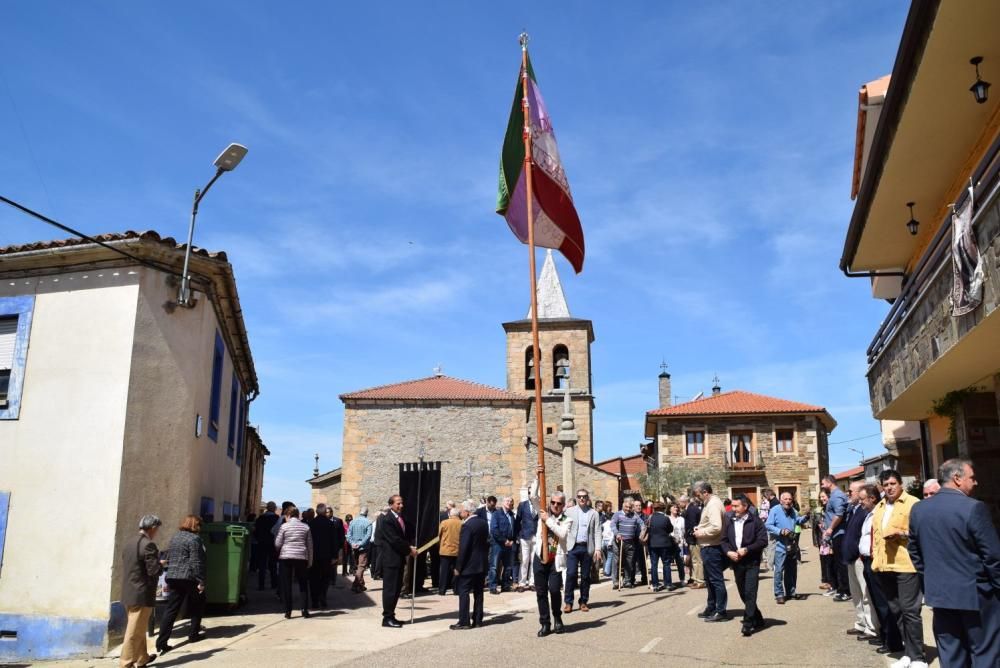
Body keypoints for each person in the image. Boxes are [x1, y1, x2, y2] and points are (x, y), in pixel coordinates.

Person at [909, 459, 1000, 668]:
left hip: (940, 596)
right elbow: (993, 557)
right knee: (985, 655)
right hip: (977, 596)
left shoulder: (919, 509)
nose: (975, 482)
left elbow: (915, 553)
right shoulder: (974, 508)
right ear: (957, 479)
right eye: (972, 478)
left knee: (951, 657)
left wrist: (932, 579)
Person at [871, 469, 925, 668]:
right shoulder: (880, 506)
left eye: (893, 484)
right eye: (886, 485)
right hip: (884, 565)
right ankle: (908, 653)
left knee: (910, 610)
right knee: (896, 610)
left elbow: (921, 532)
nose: (889, 488)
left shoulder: (913, 503)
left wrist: (901, 534)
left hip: (906, 564)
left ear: (900, 484)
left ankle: (919, 657)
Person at [858, 484, 902, 657]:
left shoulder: (879, 513)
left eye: (863, 499)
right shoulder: (870, 513)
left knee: (884, 603)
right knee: (877, 602)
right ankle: (884, 636)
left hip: (876, 562)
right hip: (868, 561)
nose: (860, 502)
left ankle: (893, 641)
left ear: (872, 498)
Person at [156, 515, 206, 654]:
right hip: (188, 577)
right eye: (199, 525)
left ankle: (161, 642)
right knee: (198, 603)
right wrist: (201, 580)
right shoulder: (194, 539)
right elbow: (196, 562)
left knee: (172, 608)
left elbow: (170, 555)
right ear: (195, 525)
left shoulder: (175, 537)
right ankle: (193, 634)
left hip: (173, 576)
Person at [120, 514, 163, 668]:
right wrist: (160, 564)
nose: (157, 532)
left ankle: (142, 658)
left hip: (129, 592)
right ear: (152, 528)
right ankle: (126, 663)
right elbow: (153, 571)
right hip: (142, 594)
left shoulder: (129, 543)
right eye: (157, 529)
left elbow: (135, 566)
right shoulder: (148, 545)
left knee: (138, 628)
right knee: (134, 632)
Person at [721, 494, 768, 636]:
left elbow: (763, 541)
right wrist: (728, 552)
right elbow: (723, 540)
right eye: (732, 506)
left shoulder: (755, 522)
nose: (732, 508)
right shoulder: (729, 520)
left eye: (736, 506)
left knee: (750, 592)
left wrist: (747, 549)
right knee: (743, 593)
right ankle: (757, 617)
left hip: (752, 562)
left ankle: (748, 623)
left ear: (745, 506)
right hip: (737, 562)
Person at [534, 491, 575, 637]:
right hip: (540, 557)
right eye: (553, 502)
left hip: (555, 560)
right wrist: (537, 478)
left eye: (559, 503)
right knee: (541, 592)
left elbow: (562, 534)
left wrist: (548, 520)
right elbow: (533, 496)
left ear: (563, 505)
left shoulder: (566, 519)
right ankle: (545, 623)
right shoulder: (543, 512)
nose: (555, 505)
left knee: (554, 590)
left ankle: (557, 617)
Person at [842, 481, 878, 641]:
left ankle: (871, 627)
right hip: (851, 559)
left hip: (860, 559)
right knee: (856, 594)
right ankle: (861, 623)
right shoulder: (855, 510)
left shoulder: (866, 511)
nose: (848, 494)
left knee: (865, 594)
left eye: (851, 491)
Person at [374, 494, 416, 628]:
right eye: (398, 503)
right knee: (390, 589)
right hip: (390, 560)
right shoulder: (387, 520)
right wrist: (409, 550)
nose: (401, 505)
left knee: (397, 589)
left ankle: (391, 615)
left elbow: (403, 536)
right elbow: (394, 539)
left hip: (398, 559)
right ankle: (387, 618)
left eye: (402, 503)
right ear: (391, 504)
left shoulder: (400, 518)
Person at [451, 501, 489, 629]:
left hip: (469, 565)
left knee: (464, 591)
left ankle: (464, 621)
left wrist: (458, 567)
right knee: (478, 592)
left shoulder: (467, 526)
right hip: (481, 563)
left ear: (467, 512)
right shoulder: (483, 523)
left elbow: (464, 548)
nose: (461, 513)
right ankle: (478, 619)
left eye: (462, 510)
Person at [692, 481, 727, 621]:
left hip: (712, 547)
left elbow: (716, 527)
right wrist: (700, 528)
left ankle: (721, 611)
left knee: (716, 580)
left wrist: (701, 532)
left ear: (705, 492)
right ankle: (712, 607)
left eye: (698, 494)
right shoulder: (710, 503)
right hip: (708, 546)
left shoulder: (713, 504)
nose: (697, 498)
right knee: (710, 580)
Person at [765, 491, 808, 604]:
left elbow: (798, 521)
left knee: (791, 570)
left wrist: (806, 517)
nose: (788, 501)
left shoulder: (793, 511)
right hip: (780, 545)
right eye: (786, 499)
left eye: (790, 499)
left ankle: (791, 592)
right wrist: (780, 531)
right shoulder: (775, 510)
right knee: (779, 571)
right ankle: (779, 594)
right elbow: (768, 525)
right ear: (780, 500)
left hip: (792, 545)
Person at [564, 488, 601, 612]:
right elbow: (562, 527)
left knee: (585, 576)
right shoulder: (569, 512)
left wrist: (598, 548)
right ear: (577, 498)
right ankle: (568, 602)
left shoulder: (594, 513)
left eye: (584, 496)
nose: (582, 499)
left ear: (587, 498)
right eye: (579, 496)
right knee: (571, 574)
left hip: (587, 547)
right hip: (572, 547)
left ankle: (583, 601)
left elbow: (597, 531)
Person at [275, 506, 313, 619]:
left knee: (287, 584)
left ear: (288, 515)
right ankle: (304, 610)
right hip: (301, 557)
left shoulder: (284, 526)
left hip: (286, 557)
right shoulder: (306, 527)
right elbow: (310, 546)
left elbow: (277, 544)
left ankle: (288, 611)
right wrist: (310, 561)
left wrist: (282, 549)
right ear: (298, 515)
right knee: (303, 584)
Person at [820, 475, 852, 602]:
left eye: (823, 483)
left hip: (839, 533)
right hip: (836, 534)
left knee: (841, 564)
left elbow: (839, 514)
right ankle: (841, 588)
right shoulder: (833, 495)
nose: (822, 486)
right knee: (837, 563)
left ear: (829, 483)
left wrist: (830, 528)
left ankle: (845, 590)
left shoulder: (837, 495)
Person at [306, 503, 336, 609]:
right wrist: (334, 556)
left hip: (314, 555)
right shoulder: (330, 524)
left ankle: (314, 600)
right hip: (326, 556)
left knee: (313, 578)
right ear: (324, 512)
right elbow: (333, 541)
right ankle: (322, 596)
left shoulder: (311, 523)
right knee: (325, 577)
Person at [610, 498, 643, 589]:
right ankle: (616, 581)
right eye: (626, 507)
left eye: (630, 507)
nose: (628, 509)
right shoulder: (617, 514)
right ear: (623, 506)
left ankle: (627, 581)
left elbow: (642, 523)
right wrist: (617, 533)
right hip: (619, 541)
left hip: (630, 542)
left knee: (629, 562)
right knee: (616, 561)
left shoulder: (635, 515)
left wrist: (643, 533)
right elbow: (612, 525)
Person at [646, 502, 678, 592]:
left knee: (654, 565)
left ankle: (655, 585)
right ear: (663, 509)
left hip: (653, 544)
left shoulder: (650, 518)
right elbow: (670, 529)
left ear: (654, 509)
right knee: (666, 564)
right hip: (664, 544)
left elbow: (647, 529)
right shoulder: (665, 518)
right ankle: (668, 584)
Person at [488, 496, 516, 594]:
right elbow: (494, 530)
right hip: (497, 544)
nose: (509, 502)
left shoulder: (512, 515)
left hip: (508, 545)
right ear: (503, 502)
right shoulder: (496, 514)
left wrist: (513, 540)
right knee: (494, 566)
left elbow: (514, 529)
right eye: (507, 501)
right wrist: (504, 540)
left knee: (508, 567)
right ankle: (493, 586)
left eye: (511, 501)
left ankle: (505, 586)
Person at [514, 490, 538, 592]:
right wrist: (517, 535)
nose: (531, 494)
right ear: (528, 494)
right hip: (525, 536)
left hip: (536, 536)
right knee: (524, 560)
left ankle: (532, 582)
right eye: (530, 492)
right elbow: (517, 521)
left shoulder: (539, 504)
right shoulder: (522, 505)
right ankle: (522, 583)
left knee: (534, 560)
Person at [254, 502, 280, 590]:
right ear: (273, 508)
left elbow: (256, 531)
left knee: (262, 565)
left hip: (262, 543)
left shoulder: (260, 518)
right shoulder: (277, 518)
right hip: (272, 544)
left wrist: (259, 539)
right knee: (273, 564)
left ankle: (261, 585)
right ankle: (274, 584)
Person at [347, 507, 373, 593]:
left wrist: (352, 543)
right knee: (361, 566)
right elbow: (368, 536)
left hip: (354, 547)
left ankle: (361, 585)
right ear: (367, 513)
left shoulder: (352, 522)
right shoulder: (368, 522)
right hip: (363, 547)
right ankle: (355, 585)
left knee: (358, 566)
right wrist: (360, 544)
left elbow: (348, 535)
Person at [438, 506, 462, 595]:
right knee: (456, 570)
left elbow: (439, 534)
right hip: (457, 550)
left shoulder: (444, 522)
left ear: (449, 514)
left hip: (445, 550)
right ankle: (456, 589)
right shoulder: (461, 523)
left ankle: (442, 590)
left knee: (444, 571)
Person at [816, 490, 836, 593]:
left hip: (831, 541)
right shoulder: (820, 510)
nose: (822, 499)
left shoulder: (832, 509)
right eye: (820, 497)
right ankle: (828, 582)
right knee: (825, 562)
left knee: (831, 563)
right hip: (823, 541)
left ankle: (833, 585)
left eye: (824, 496)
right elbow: (817, 527)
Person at [683, 493, 704, 588]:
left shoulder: (691, 510)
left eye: (680, 502)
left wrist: (691, 537)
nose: (679, 504)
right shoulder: (692, 509)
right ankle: (696, 579)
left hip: (694, 539)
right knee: (694, 560)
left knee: (697, 560)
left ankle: (699, 580)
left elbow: (692, 525)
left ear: (684, 502)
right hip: (693, 539)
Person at [668, 503, 686, 585]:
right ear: (670, 509)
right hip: (669, 544)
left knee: (680, 563)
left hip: (679, 544)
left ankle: (682, 579)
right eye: (674, 507)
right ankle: (668, 581)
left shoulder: (681, 519)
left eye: (676, 507)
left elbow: (683, 531)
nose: (676, 508)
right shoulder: (667, 518)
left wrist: (684, 541)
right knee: (667, 563)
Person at [759, 489, 775, 573]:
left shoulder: (767, 503)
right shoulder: (764, 503)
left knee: (768, 545)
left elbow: (765, 514)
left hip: (766, 525)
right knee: (766, 545)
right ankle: (766, 562)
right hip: (763, 525)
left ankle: (769, 564)